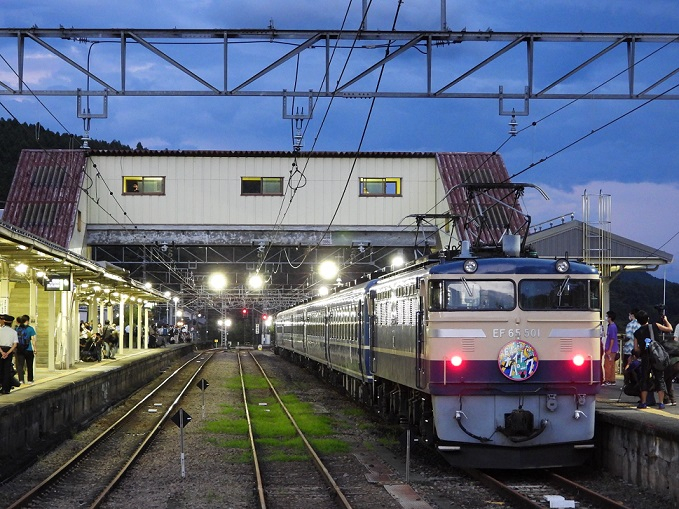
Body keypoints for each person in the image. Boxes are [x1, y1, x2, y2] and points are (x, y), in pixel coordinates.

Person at [633, 309, 667, 409]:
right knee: (659, 378)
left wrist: (642, 348)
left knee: (645, 379)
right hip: (657, 357)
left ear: (638, 321)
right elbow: (669, 329)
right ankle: (661, 403)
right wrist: (665, 320)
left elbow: (636, 348)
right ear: (648, 318)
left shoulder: (637, 332)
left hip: (645, 357)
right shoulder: (655, 325)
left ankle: (643, 402)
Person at [14, 315, 36, 384]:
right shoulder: (30, 329)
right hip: (29, 349)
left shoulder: (17, 329)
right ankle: (30, 380)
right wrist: (35, 348)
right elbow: (33, 340)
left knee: (20, 365)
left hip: (20, 350)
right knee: (29, 365)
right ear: (27, 321)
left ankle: (21, 380)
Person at [0, 314, 18, 394]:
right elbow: (15, 345)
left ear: (4, 322)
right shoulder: (14, 332)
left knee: (0, 369)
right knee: (7, 370)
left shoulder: (0, 330)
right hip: (9, 351)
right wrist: (7, 353)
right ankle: (6, 389)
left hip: (0, 350)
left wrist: (2, 352)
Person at [603, 310, 619, 386]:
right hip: (613, 349)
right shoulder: (612, 326)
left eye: (607, 316)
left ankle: (608, 380)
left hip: (611, 349)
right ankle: (612, 380)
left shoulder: (612, 327)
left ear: (610, 317)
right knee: (611, 364)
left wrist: (609, 349)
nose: (606, 317)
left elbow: (612, 339)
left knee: (608, 365)